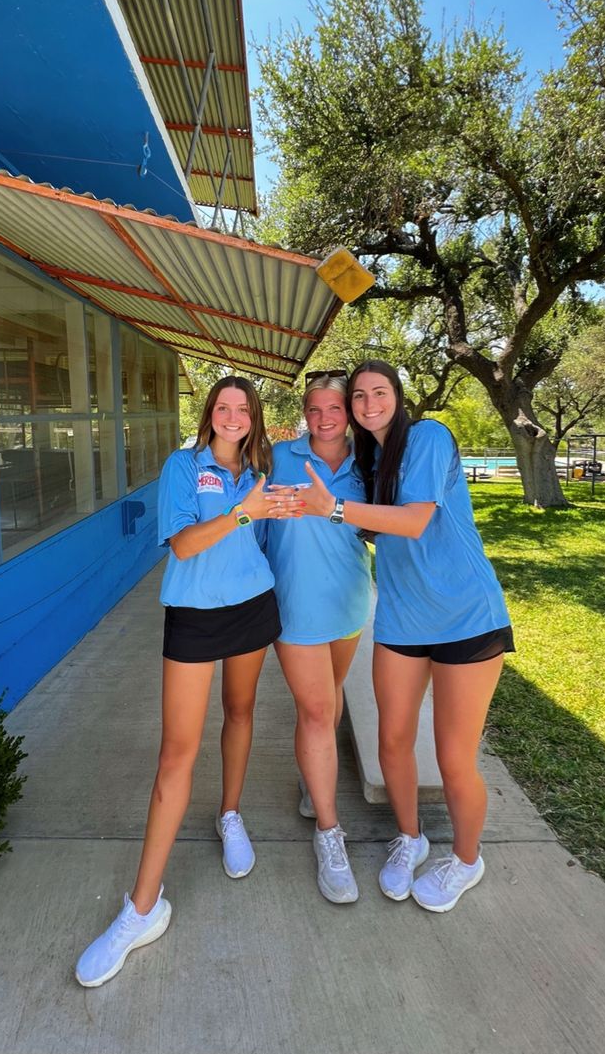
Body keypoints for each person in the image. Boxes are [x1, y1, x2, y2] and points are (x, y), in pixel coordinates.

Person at [75, 376, 300, 987]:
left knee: (242, 712)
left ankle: (229, 814)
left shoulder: (262, 466)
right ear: (210, 414)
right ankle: (141, 908)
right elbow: (182, 546)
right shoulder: (182, 465)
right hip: (194, 616)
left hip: (252, 605)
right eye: (222, 407)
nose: (232, 416)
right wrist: (240, 511)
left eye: (242, 408)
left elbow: (270, 531)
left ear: (254, 418)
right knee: (177, 751)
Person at [299, 360, 514, 913]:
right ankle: (411, 837)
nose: (369, 404)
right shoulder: (369, 460)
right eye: (359, 397)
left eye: (380, 392)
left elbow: (415, 520)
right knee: (392, 741)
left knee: (453, 757)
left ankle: (467, 860)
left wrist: (335, 509)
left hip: (466, 616)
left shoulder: (429, 436)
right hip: (401, 619)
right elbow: (370, 529)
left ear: (398, 395)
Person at [262, 372, 372, 904]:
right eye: (314, 408)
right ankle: (329, 835)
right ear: (304, 412)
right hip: (296, 608)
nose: (325, 417)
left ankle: (314, 776)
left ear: (348, 412)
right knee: (315, 711)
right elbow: (251, 523)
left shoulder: (368, 463)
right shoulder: (278, 458)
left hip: (350, 604)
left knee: (329, 702)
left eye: (334, 407)